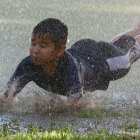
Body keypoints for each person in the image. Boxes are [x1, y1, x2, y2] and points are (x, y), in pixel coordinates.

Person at [0, 18, 140, 108]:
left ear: (60, 50)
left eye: (43, 46)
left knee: (124, 56)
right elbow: (6, 96)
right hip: (84, 50)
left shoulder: (70, 69)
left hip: (105, 63)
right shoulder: (27, 65)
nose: (35, 50)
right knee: (117, 47)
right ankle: (137, 30)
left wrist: (52, 108)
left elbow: (77, 104)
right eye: (33, 43)